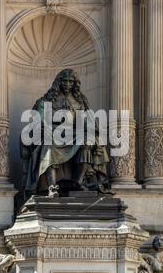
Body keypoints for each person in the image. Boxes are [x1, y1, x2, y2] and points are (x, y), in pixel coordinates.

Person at [21, 68, 111, 198]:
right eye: (65, 81)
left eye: (71, 81)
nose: (68, 84)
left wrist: (92, 130)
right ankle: (52, 187)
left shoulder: (81, 101)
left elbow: (87, 120)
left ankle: (79, 182)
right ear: (59, 82)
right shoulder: (46, 100)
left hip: (74, 134)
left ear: (75, 83)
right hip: (53, 133)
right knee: (49, 144)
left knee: (87, 141)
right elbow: (38, 122)